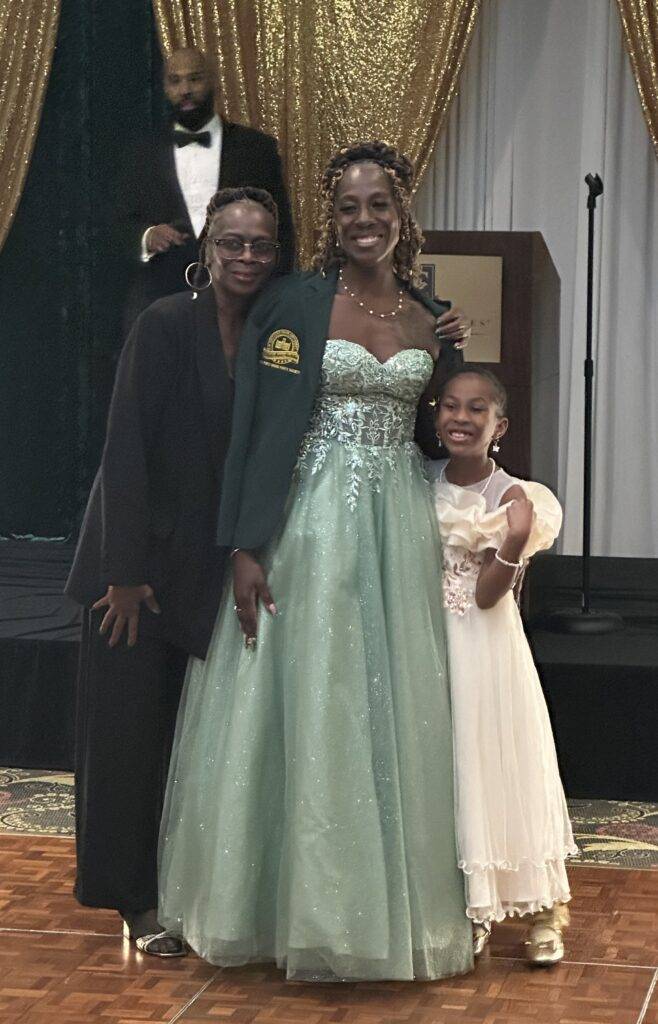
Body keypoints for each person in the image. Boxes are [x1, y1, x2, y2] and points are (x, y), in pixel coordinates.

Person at [158, 140, 474, 981]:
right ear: (331, 219)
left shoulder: (428, 315)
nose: (364, 220)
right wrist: (244, 543)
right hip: (309, 524)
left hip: (397, 528)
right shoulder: (293, 303)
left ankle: (382, 911)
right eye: (347, 207)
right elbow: (255, 427)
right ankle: (289, 910)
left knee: (389, 706)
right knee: (313, 701)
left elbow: (439, 431)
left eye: (379, 205)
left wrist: (454, 356)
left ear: (402, 213)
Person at [65, 187, 282, 956]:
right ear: (206, 249)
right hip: (131, 574)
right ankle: (132, 900)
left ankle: (178, 888)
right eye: (232, 242)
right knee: (125, 743)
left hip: (200, 567)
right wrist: (123, 574)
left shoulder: (270, 336)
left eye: (260, 244)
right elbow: (124, 447)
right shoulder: (164, 323)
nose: (246, 256)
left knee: (178, 744)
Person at [430, 367, 577, 966]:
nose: (461, 418)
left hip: (485, 646)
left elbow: (489, 597)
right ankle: (469, 906)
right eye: (450, 406)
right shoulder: (419, 481)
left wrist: (513, 541)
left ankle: (544, 910)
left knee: (498, 761)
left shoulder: (516, 497)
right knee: (447, 770)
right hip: (428, 643)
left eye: (477, 409)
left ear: (501, 425)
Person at [121, 47, 294, 324]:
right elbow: (116, 224)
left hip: (242, 309)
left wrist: (272, 306)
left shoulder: (257, 149)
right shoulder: (141, 153)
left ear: (213, 81)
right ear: (164, 87)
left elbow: (281, 231)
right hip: (159, 308)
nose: (185, 90)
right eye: (175, 81)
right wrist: (147, 236)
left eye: (194, 79)